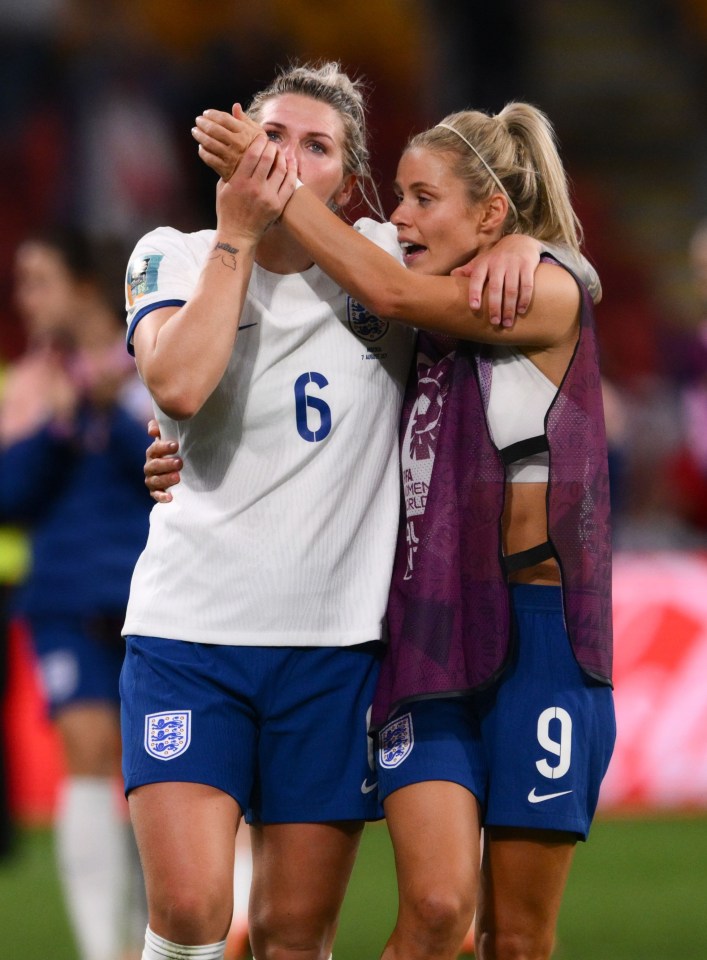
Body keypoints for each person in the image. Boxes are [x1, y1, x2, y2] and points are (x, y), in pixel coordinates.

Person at [121, 61, 591, 960]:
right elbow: (178, 382)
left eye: (316, 147)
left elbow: (545, 266)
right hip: (189, 633)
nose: (287, 161)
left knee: (296, 933)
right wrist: (237, 235)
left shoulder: (387, 253)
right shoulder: (170, 251)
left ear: (352, 177)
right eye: (270, 138)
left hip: (335, 651)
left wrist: (526, 249)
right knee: (189, 909)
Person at [0, 227, 151, 960]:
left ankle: (156, 940)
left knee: (157, 773)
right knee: (88, 754)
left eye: (40, 281)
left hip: (153, 596)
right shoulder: (30, 385)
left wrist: (112, 411)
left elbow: (179, 478)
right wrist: (61, 423)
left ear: (86, 288)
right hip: (64, 599)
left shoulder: (156, 357)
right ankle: (104, 950)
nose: (26, 300)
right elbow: (8, 496)